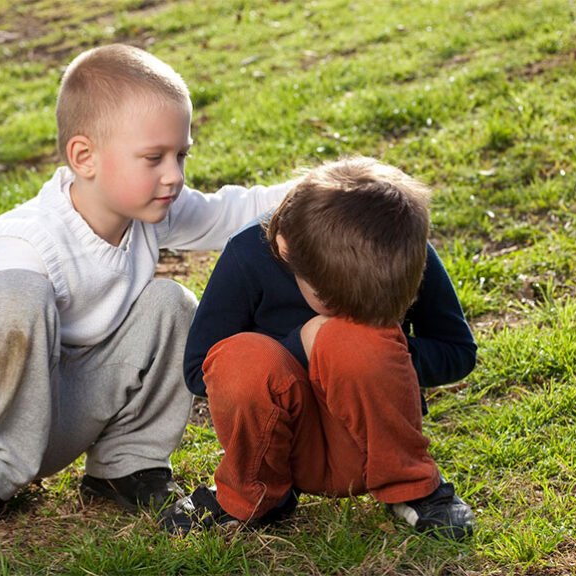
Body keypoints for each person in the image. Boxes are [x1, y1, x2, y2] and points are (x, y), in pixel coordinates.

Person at [0, 43, 295, 531]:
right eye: (154, 157)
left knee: (171, 302)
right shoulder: (29, 239)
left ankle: (125, 464)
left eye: (181, 155)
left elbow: (229, 214)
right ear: (84, 157)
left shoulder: (149, 210)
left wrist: (327, 186)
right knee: (17, 294)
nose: (173, 175)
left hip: (66, 413)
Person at [162, 156, 478, 540]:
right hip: (277, 446)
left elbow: (457, 351)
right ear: (286, 249)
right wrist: (302, 344)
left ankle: (411, 488)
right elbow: (199, 368)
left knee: (350, 340)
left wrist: (381, 348)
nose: (347, 315)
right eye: (335, 304)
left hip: (368, 446)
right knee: (242, 356)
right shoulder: (247, 255)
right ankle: (254, 495)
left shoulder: (401, 251)